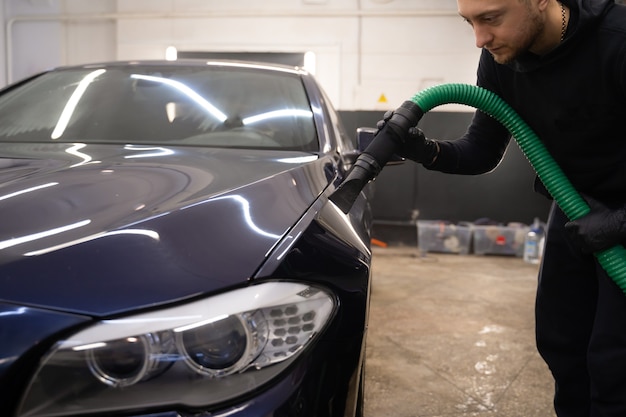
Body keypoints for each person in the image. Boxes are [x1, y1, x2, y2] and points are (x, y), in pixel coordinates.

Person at [379, 0, 626, 415]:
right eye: (469, 22)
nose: (480, 38)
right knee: (562, 345)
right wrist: (426, 150)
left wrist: (620, 222)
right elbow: (481, 150)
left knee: (615, 365)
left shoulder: (617, 42)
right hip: (573, 207)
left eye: (491, 18)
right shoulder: (500, 59)